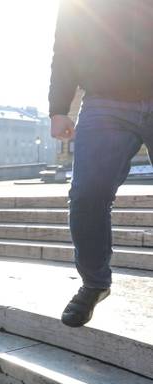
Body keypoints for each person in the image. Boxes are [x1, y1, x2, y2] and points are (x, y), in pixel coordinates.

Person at [49, 0, 153, 327]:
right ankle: (94, 283)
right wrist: (58, 107)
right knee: (87, 195)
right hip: (105, 100)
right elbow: (66, 46)